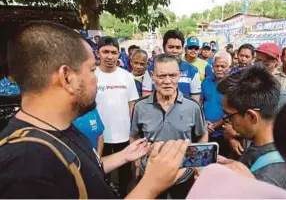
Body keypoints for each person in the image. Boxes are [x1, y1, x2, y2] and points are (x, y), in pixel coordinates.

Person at [0, 21, 190, 199]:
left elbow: (81, 169)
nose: (97, 79)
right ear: (66, 77)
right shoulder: (23, 164)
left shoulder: (61, 129)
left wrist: (123, 156)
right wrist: (151, 185)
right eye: (91, 70)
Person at [130, 54, 208, 199]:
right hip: (150, 174)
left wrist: (198, 166)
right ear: (153, 76)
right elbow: (134, 136)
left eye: (172, 75)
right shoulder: (140, 107)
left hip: (183, 175)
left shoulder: (192, 107)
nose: (167, 81)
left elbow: (202, 134)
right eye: (161, 76)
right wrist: (137, 162)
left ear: (179, 75)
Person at [217, 65, 286, 191]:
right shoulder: (265, 145)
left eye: (229, 116)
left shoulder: (268, 178)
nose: (227, 121)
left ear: (251, 116)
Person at [95, 36, 139, 197]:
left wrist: (132, 132)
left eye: (114, 52)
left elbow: (132, 105)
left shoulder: (126, 76)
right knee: (100, 172)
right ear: (97, 53)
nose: (110, 56)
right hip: (99, 137)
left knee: (125, 176)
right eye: (105, 51)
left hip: (124, 135)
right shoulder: (91, 76)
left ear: (118, 55)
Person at [146, 30, 202, 102]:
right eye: (171, 47)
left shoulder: (193, 71)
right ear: (164, 47)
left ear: (182, 49)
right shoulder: (150, 71)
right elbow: (146, 103)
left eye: (178, 47)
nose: (174, 51)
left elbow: (195, 103)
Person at [200, 51, 231, 156]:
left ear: (229, 68)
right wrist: (203, 122)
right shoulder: (206, 82)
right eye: (217, 66)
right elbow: (199, 105)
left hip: (223, 133)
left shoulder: (233, 85)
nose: (219, 69)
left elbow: (232, 112)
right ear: (212, 66)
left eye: (223, 66)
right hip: (204, 131)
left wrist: (214, 125)